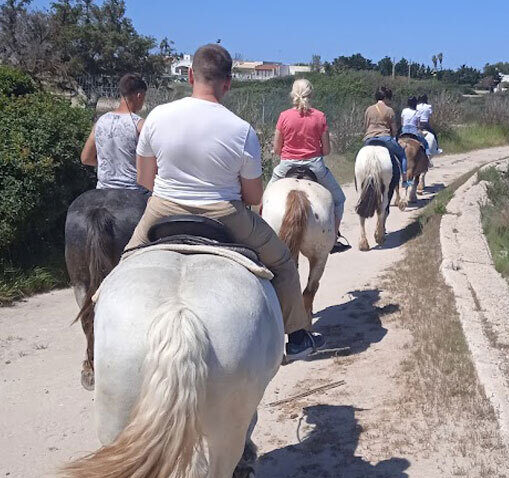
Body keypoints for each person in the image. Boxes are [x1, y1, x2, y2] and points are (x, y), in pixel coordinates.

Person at [124, 43, 323, 361]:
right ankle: (298, 336)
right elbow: (254, 196)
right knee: (284, 263)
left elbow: (144, 181)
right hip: (225, 215)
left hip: (162, 209)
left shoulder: (156, 117)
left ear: (190, 75)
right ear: (228, 83)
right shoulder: (241, 130)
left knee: (125, 263)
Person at [270, 79, 349, 252]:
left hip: (286, 165)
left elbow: (277, 149)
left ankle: (265, 242)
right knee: (339, 200)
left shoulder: (283, 116)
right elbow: (326, 150)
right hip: (315, 166)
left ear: (292, 94)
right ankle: (333, 239)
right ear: (310, 94)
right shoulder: (320, 117)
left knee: (263, 200)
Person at [81, 74, 148, 191]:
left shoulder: (100, 122)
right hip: (133, 191)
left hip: (103, 189)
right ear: (139, 95)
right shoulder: (140, 125)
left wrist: (107, 165)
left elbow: (86, 158)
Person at [363, 87, 408, 187]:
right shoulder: (389, 110)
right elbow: (394, 129)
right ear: (386, 98)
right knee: (402, 155)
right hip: (385, 138)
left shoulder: (369, 109)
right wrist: (394, 137)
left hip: (369, 139)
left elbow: (366, 126)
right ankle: (405, 179)